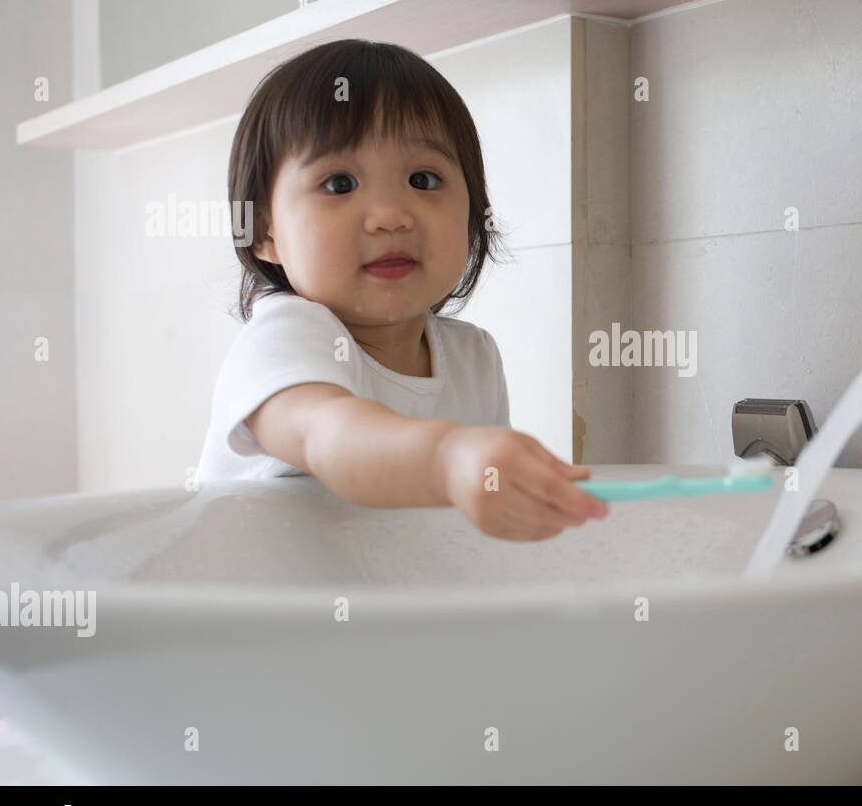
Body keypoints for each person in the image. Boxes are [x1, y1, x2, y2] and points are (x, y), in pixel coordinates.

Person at [196, 39, 608, 541]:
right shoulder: (281, 341)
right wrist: (450, 459)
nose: (391, 215)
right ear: (264, 230)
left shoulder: (472, 358)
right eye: (339, 184)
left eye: (423, 178)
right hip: (244, 615)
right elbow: (331, 435)